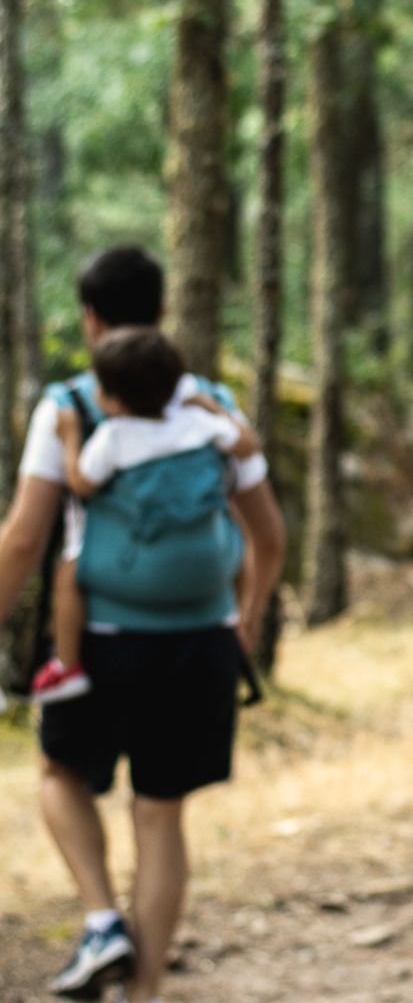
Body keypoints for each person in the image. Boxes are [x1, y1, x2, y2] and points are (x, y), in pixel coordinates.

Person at [0, 246, 285, 1003]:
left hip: (97, 641)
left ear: (90, 318)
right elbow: (268, 534)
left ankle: (101, 921)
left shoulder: (71, 405)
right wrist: (246, 616)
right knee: (160, 814)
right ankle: (145, 988)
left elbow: (25, 538)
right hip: (200, 641)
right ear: (163, 314)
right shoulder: (215, 409)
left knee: (62, 777)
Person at [30, 326, 261, 705]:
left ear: (115, 400)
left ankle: (66, 665)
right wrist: (213, 407)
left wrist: (71, 435)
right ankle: (236, 616)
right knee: (233, 532)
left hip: (123, 604)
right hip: (210, 572)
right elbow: (249, 447)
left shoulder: (114, 437)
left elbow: (81, 483)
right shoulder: (200, 424)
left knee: (68, 571)